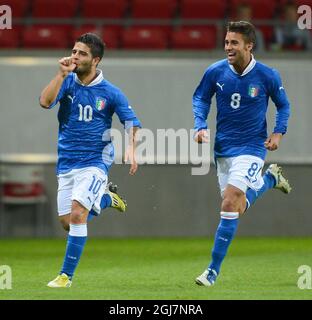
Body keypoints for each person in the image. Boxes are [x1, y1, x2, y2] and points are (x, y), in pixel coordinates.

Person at [193, 21, 291, 286]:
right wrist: (200, 125)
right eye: (226, 42)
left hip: (252, 147)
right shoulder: (215, 72)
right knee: (235, 208)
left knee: (229, 203)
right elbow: (201, 98)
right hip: (224, 149)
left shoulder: (268, 75)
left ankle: (212, 271)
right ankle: (270, 180)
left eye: (234, 43)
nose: (228, 47)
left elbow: (283, 105)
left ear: (249, 46)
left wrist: (278, 133)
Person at [39, 33, 141, 288]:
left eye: (82, 53)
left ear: (96, 60)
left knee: (77, 215)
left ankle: (66, 276)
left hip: (96, 159)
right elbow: (44, 102)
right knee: (67, 222)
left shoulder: (111, 92)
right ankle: (107, 199)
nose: (75, 57)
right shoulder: (67, 82)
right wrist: (61, 75)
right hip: (67, 161)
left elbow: (131, 123)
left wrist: (132, 150)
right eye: (74, 51)